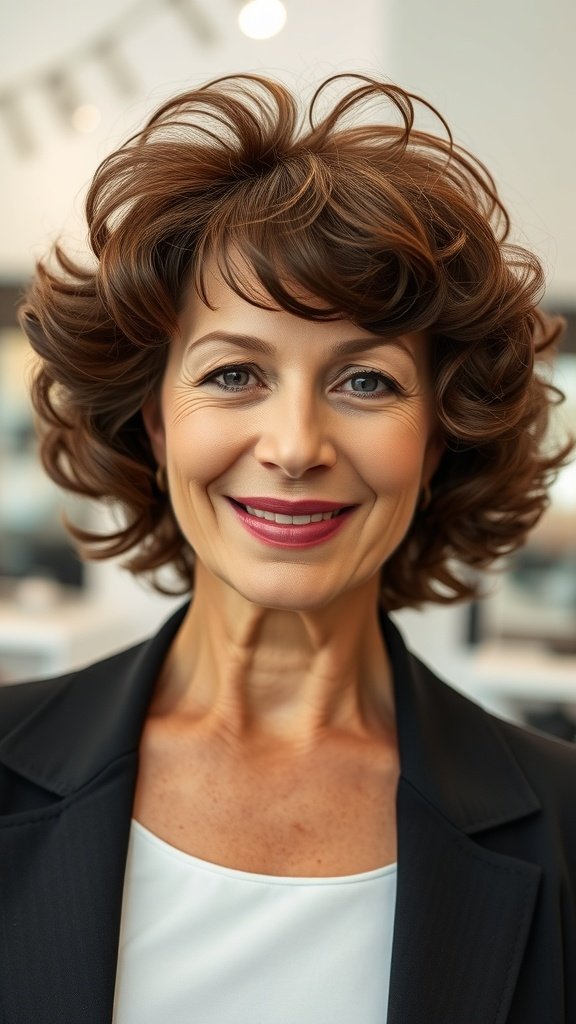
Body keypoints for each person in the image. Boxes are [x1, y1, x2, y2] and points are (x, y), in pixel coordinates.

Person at [1, 72, 575, 1024]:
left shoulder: (560, 826)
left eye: (365, 382)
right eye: (234, 373)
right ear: (154, 421)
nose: (297, 445)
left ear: (439, 435)